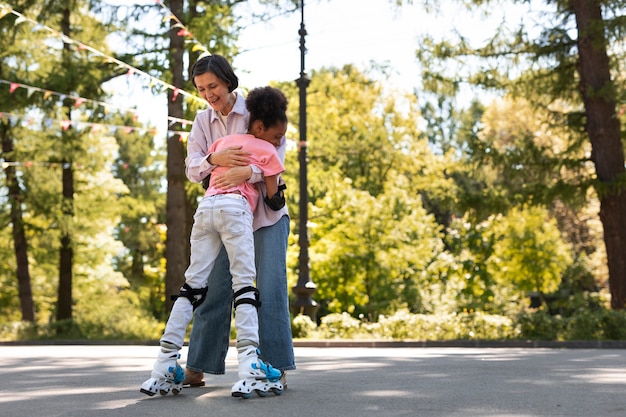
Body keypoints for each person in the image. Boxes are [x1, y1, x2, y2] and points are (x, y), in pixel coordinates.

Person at [140, 86, 289, 399]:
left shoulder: (225, 141)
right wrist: (261, 176)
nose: (280, 142)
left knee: (193, 286)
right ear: (261, 127)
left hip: (206, 209)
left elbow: (203, 174)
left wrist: (227, 165)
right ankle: (250, 365)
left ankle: (164, 364)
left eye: (212, 86)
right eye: (277, 136)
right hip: (237, 213)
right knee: (245, 285)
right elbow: (274, 198)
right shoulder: (266, 149)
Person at [182, 55, 295, 388]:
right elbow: (192, 169)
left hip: (265, 216)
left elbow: (278, 156)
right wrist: (213, 159)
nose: (208, 93)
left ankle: (273, 366)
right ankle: (199, 364)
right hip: (226, 214)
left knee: (269, 287)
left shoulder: (261, 109)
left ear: (228, 81)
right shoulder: (203, 121)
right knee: (213, 287)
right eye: (202, 88)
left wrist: (250, 171)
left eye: (213, 86)